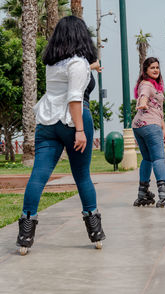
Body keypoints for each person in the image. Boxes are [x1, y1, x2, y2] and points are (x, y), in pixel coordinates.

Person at [16, 16, 106, 255]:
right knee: (82, 177)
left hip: (47, 122)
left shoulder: (53, 63)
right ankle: (95, 232)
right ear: (81, 36)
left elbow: (74, 75)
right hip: (72, 120)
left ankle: (25, 234)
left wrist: (92, 66)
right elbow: (75, 97)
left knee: (38, 176)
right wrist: (79, 130)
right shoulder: (77, 62)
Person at [132, 57, 165, 208]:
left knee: (147, 159)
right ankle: (163, 192)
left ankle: (143, 192)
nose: (155, 70)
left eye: (157, 67)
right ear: (145, 70)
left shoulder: (155, 86)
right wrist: (142, 103)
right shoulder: (146, 84)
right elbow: (143, 96)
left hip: (139, 126)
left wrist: (164, 128)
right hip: (150, 125)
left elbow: (158, 110)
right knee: (158, 158)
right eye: (152, 67)